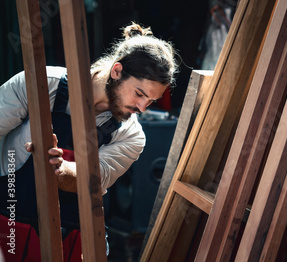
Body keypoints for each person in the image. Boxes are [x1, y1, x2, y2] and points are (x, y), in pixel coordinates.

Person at [0, 22, 178, 260]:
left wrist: (59, 167)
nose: (142, 108)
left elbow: (94, 181)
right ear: (117, 71)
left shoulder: (131, 135)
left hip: (71, 237)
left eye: (151, 101)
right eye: (139, 94)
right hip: (9, 220)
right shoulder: (39, 86)